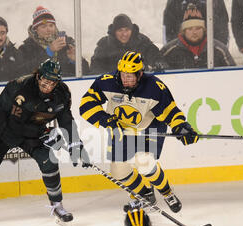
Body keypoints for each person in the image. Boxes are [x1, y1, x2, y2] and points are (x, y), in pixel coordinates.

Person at [0, 59, 91, 226]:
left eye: (53, 82)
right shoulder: (21, 89)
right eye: (45, 81)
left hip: (32, 131)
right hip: (0, 129)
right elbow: (14, 124)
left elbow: (65, 119)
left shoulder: (62, 93)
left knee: (49, 162)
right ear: (38, 76)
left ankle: (57, 206)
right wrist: (45, 133)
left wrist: (75, 143)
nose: (48, 86)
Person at [80, 51, 199, 213]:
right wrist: (106, 120)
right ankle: (145, 195)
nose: (126, 79)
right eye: (123, 75)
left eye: (130, 76)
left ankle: (167, 193)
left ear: (140, 74)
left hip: (150, 127)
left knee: (144, 162)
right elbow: (86, 105)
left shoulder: (154, 87)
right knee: (119, 171)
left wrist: (181, 127)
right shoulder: (106, 82)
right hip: (121, 128)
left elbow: (170, 112)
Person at [18, 6, 90, 78]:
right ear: (36, 30)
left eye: (51, 25)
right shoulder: (26, 48)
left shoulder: (67, 43)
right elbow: (23, 72)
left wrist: (75, 61)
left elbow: (87, 73)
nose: (48, 29)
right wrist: (48, 52)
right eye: (44, 26)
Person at [161, 3, 235, 70]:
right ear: (183, 31)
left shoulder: (219, 49)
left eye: (198, 28)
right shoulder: (169, 51)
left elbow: (233, 73)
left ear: (204, 30)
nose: (194, 32)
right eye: (190, 29)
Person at [89, 14, 168, 75]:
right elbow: (95, 67)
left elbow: (155, 55)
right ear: (114, 32)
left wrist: (159, 63)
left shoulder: (142, 41)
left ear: (132, 30)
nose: (124, 34)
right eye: (120, 30)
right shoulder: (104, 45)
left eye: (127, 30)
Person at [163, 0, 229, 46]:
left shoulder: (216, 2)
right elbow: (168, 30)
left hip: (209, 52)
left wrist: (218, 51)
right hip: (182, 54)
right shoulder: (174, 3)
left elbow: (222, 29)